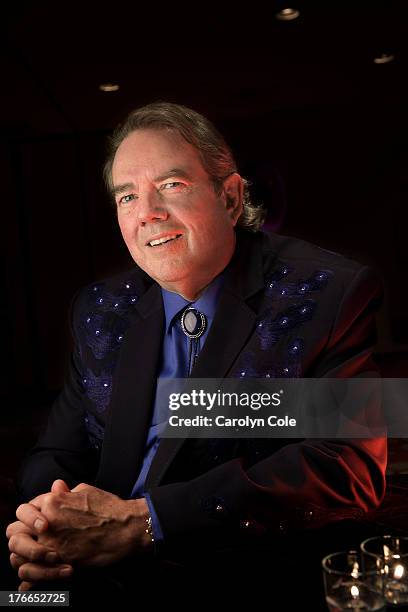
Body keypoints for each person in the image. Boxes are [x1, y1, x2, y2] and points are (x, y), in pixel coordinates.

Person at [6, 102, 386, 601]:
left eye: (172, 185)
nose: (148, 213)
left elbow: (349, 467)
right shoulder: (98, 309)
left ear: (230, 197)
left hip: (235, 577)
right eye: (127, 196)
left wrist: (144, 523)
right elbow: (54, 453)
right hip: (87, 573)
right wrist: (44, 521)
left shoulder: (327, 292)